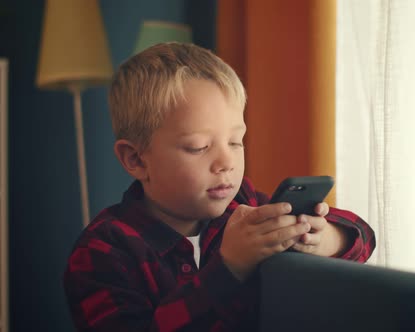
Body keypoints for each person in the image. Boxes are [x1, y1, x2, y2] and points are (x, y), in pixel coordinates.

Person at [63, 42, 375, 332]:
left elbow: (363, 238)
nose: (226, 162)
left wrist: (326, 239)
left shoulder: (246, 207)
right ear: (136, 159)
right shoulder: (103, 252)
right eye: (199, 147)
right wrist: (229, 269)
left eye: (236, 141)